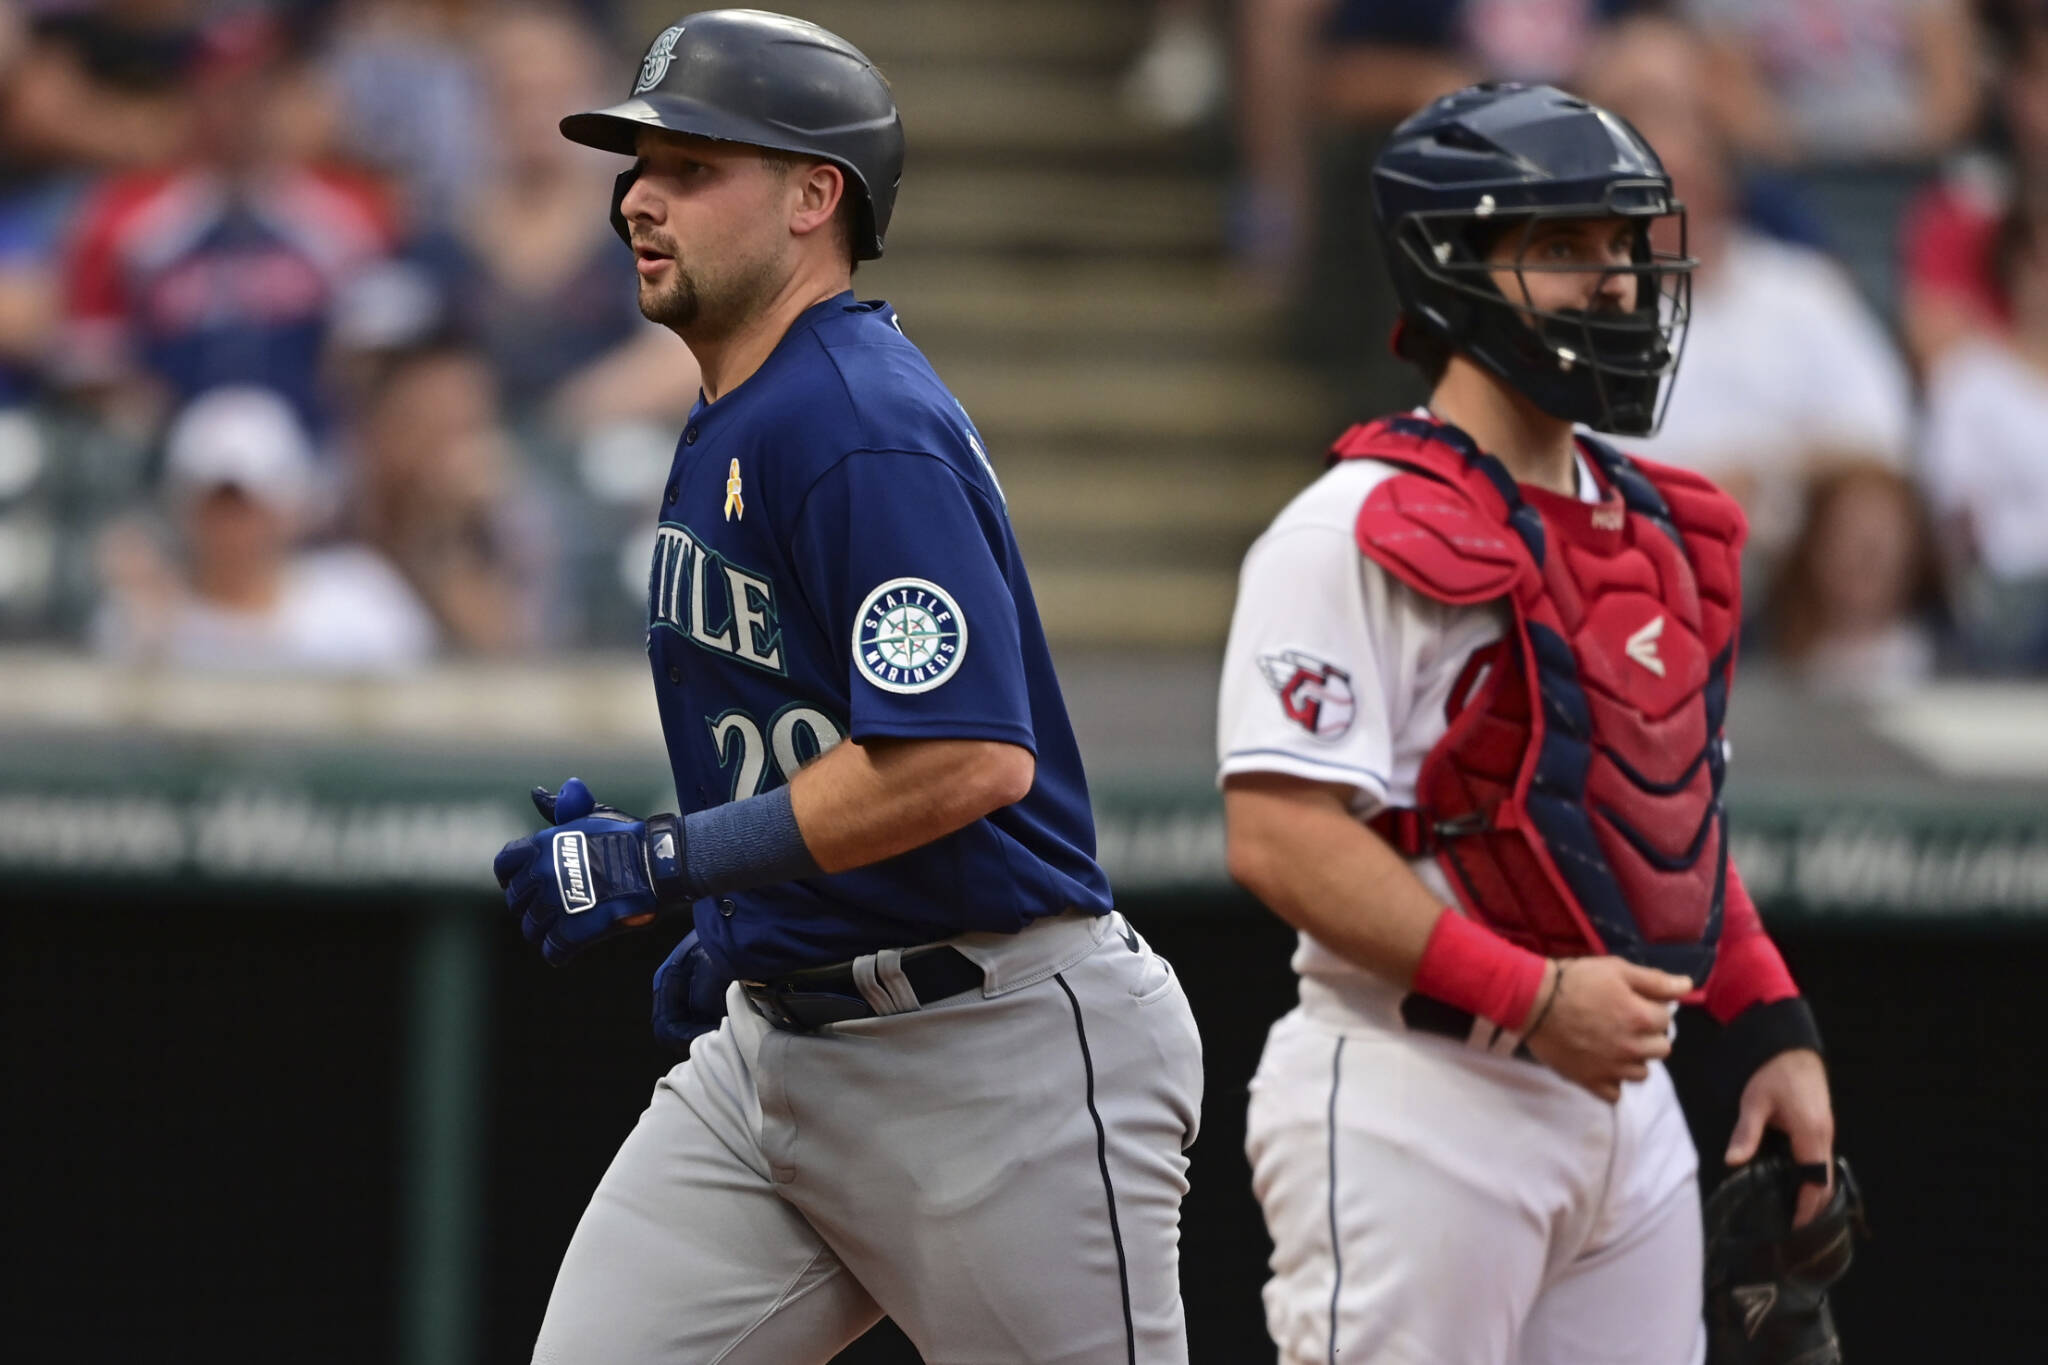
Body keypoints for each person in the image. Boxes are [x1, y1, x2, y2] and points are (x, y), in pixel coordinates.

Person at [490, 13, 1203, 1364]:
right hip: (780, 1047)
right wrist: (746, 912)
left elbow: (963, 760)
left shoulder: (852, 419)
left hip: (993, 1058)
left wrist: (668, 859)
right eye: (639, 164)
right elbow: (817, 733)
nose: (637, 195)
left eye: (692, 164)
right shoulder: (743, 405)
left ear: (817, 195)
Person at [1217, 84, 1839, 1363]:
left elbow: (1665, 824)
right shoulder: (1347, 527)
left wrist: (1772, 1025)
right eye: (1562, 248)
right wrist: (1533, 994)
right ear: (1452, 269)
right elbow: (1279, 838)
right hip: (1415, 1098)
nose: (1612, 285)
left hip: (1624, 1110)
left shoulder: (1662, 527)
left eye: (1620, 249)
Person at [91, 385, 435, 672]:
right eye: (216, 504)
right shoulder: (139, 619)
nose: (233, 526)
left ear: (290, 508)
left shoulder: (362, 600)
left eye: (248, 505)